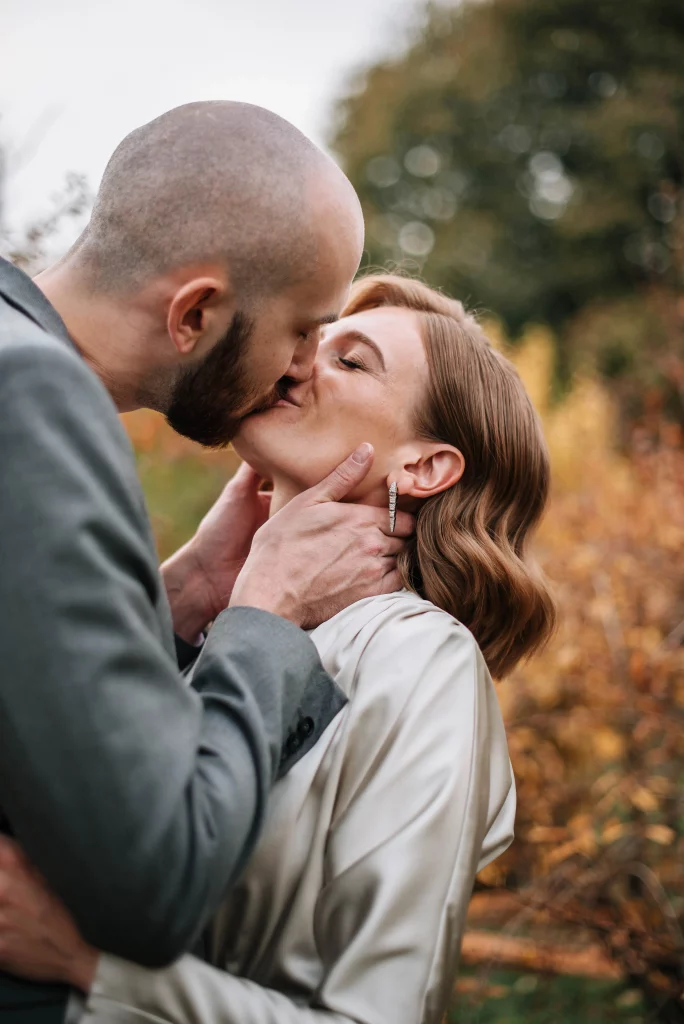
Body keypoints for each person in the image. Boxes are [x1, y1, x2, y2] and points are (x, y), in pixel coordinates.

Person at [0, 275, 556, 1023]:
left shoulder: (423, 661)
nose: (297, 362)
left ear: (423, 467)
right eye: (308, 340)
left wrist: (94, 969)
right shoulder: (226, 628)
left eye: (351, 361)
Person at [0, 104, 413, 1022]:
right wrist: (263, 612)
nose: (301, 367)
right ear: (196, 313)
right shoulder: (32, 401)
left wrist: (182, 597)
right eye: (304, 330)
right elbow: (152, 881)